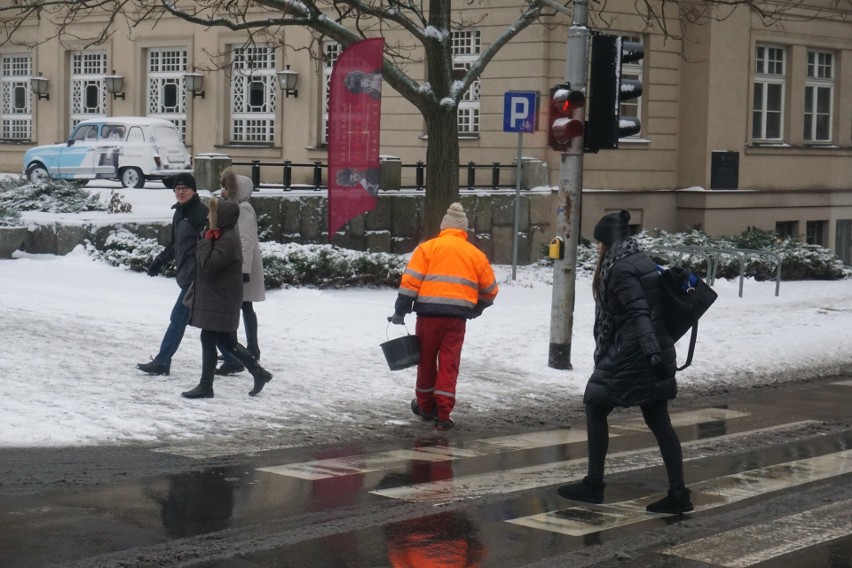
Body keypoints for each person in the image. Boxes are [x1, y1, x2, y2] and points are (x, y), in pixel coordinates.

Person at [556, 210, 693, 515]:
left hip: (637, 352)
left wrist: (650, 351)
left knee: (595, 401)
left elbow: (639, 311)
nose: (597, 249)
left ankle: (594, 485)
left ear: (607, 242)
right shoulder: (638, 257)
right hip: (648, 349)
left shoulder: (619, 269)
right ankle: (678, 492)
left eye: (598, 243)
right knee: (658, 419)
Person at [388, 203, 499, 431]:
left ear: (443, 228)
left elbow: (410, 282)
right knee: (449, 364)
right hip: (456, 320)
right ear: (463, 231)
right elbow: (490, 290)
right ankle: (444, 413)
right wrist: (475, 309)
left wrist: (401, 310)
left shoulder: (428, 248)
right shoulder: (475, 254)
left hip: (428, 317)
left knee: (426, 362)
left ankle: (426, 407)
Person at [180, 198, 273, 399]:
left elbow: (210, 265)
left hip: (221, 298)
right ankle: (259, 373)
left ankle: (206, 386)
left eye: (211, 214)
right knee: (226, 339)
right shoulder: (222, 234)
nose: (207, 217)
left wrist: (204, 242)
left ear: (220, 217)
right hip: (218, 297)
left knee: (210, 337)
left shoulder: (228, 238)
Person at [137, 172, 207, 376]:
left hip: (196, 277)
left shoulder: (200, 214)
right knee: (208, 323)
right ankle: (233, 359)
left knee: (178, 318)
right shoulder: (180, 212)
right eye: (177, 189)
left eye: (185, 189)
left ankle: (162, 361)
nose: (180, 192)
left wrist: (201, 273)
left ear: (193, 191)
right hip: (186, 274)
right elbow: (175, 244)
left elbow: (207, 246)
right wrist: (159, 261)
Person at [214, 167, 266, 375]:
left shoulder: (243, 208)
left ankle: (243, 349)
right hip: (239, 263)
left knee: (240, 306)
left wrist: (243, 270)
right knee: (243, 306)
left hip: (243, 264)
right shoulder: (236, 206)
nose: (222, 190)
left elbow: (245, 239)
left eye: (226, 187)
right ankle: (244, 348)